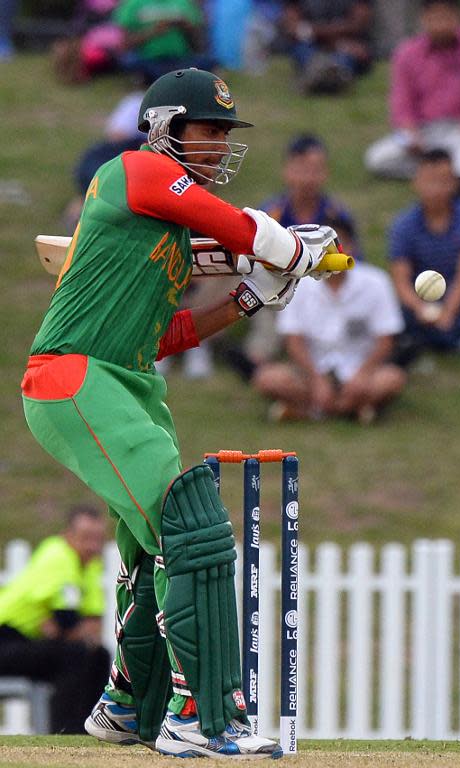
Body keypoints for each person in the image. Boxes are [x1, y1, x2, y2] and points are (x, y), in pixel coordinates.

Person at [21, 67, 336, 757]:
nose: (221, 145)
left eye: (226, 133)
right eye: (210, 131)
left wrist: (251, 299)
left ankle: (129, 704)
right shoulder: (129, 173)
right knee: (191, 525)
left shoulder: (162, 237)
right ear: (165, 128)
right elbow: (232, 225)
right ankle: (200, 717)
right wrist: (281, 246)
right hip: (74, 376)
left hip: (127, 379)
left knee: (155, 549)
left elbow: (162, 336)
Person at [254, 219, 406, 424]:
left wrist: (362, 374)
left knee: (391, 379)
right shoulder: (299, 283)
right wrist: (316, 379)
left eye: (338, 245)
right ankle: (353, 410)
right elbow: (293, 339)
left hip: (359, 369)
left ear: (352, 247)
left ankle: (311, 410)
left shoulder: (376, 281)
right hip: (313, 370)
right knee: (267, 378)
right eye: (323, 248)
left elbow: (386, 339)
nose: (330, 254)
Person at [238, 133, 363, 370]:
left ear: (325, 173)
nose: (309, 178)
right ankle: (256, 363)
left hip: (323, 291)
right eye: (302, 169)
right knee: (264, 330)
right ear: (287, 171)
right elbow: (254, 257)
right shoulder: (270, 214)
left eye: (316, 169)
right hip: (278, 287)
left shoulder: (337, 216)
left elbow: (353, 261)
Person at [365, 0, 460, 189]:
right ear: (423, 19)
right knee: (377, 158)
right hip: (426, 133)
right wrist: (409, 133)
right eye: (435, 18)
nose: (441, 25)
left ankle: (458, 183)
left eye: (446, 17)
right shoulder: (406, 53)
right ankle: (441, 175)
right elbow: (401, 103)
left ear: (458, 18)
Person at [0, 505, 110, 734]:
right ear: (69, 535)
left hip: (27, 640)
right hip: (7, 638)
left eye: (98, 539)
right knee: (74, 654)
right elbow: (68, 620)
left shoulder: (89, 565)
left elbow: (91, 624)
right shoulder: (58, 555)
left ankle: (92, 728)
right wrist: (68, 629)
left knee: (99, 655)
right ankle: (65, 730)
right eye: (86, 538)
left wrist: (66, 629)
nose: (93, 546)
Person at [388, 148, 460, 356]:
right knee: (394, 323)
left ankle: (441, 341)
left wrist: (448, 312)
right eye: (430, 181)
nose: (436, 189)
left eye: (443, 181)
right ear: (416, 182)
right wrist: (421, 309)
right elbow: (401, 280)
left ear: (455, 183)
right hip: (418, 307)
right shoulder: (403, 225)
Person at [280, 0, 374, 94]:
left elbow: (357, 25)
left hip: (345, 46)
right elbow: (292, 27)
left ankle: (334, 74)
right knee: (302, 48)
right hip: (314, 46)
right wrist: (334, 41)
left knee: (351, 53)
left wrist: (311, 31)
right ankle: (321, 74)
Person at [112, 0, 214, 81]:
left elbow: (199, 43)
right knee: (128, 60)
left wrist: (186, 26)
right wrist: (153, 32)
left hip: (180, 59)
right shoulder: (133, 4)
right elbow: (125, 44)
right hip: (148, 60)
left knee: (208, 61)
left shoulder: (184, 3)